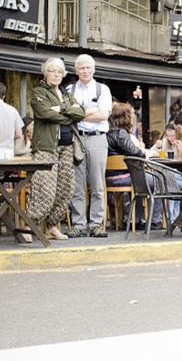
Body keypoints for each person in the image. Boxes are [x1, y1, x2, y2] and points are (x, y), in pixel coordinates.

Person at [26, 57, 85, 241]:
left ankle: (52, 226)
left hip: (67, 146)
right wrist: (68, 113)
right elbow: (45, 113)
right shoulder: (38, 92)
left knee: (65, 189)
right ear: (45, 73)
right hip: (46, 146)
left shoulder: (66, 94)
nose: (56, 75)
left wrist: (60, 109)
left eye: (60, 72)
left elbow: (80, 112)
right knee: (44, 188)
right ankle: (30, 226)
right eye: (53, 71)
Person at [68, 54, 113, 238]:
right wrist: (89, 112)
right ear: (76, 70)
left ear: (93, 69)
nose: (85, 71)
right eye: (81, 68)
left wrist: (79, 113)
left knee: (97, 183)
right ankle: (78, 224)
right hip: (76, 138)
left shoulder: (102, 89)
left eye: (88, 67)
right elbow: (68, 114)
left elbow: (103, 115)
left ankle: (96, 224)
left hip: (97, 138)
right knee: (77, 185)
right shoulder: (70, 90)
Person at [106, 102, 164, 230]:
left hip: (110, 177)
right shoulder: (121, 134)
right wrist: (142, 151)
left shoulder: (106, 133)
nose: (133, 116)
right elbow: (135, 153)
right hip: (123, 177)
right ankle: (155, 221)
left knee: (140, 182)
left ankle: (135, 219)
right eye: (131, 113)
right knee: (157, 180)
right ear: (125, 116)